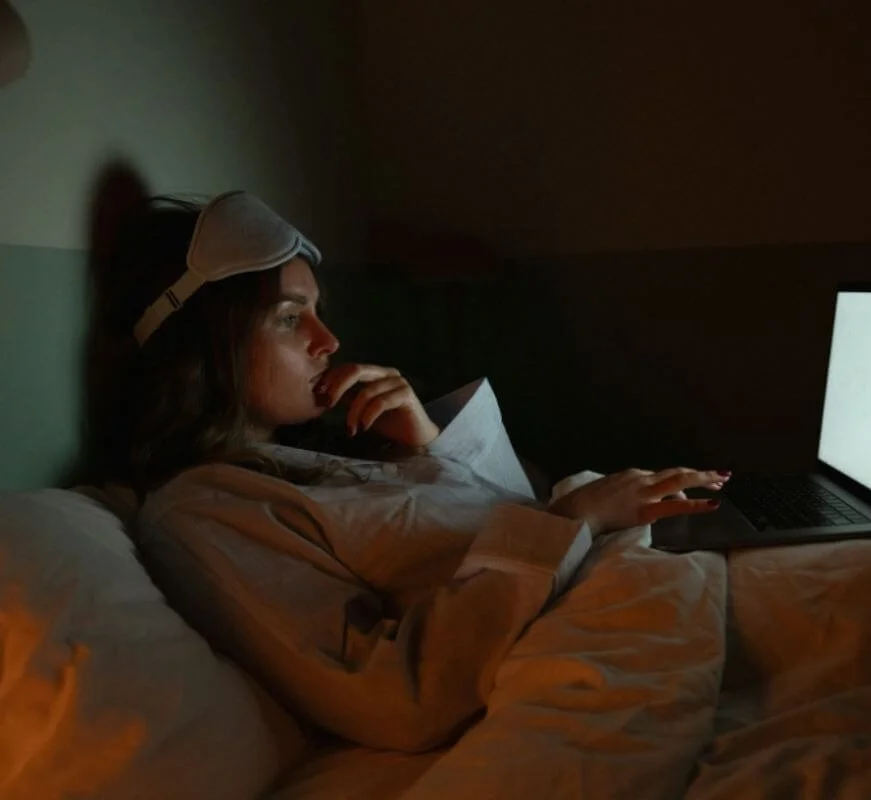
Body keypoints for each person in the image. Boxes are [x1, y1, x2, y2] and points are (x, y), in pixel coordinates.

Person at [105, 191, 730, 753]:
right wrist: (578, 515)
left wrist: (432, 447)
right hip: (578, 644)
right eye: (290, 317)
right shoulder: (201, 513)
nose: (328, 339)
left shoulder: (321, 454)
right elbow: (393, 697)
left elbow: (505, 524)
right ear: (203, 348)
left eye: (317, 311)